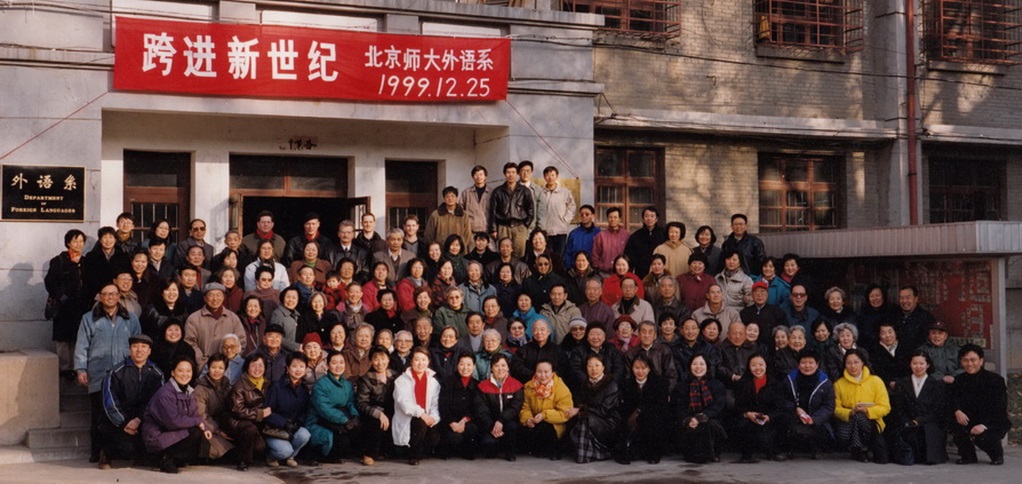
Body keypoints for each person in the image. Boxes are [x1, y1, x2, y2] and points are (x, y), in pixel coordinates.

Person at [74, 283, 142, 463]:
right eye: (106, 294)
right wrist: (81, 369)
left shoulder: (131, 318)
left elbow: (138, 345)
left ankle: (117, 451)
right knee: (98, 414)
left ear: (119, 296)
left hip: (123, 373)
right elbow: (82, 345)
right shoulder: (89, 318)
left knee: (120, 411)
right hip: (99, 372)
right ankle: (97, 451)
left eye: (113, 294)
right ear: (100, 296)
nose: (110, 297)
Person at [96, 333, 163, 469]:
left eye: (143, 347)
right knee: (119, 441)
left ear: (149, 351)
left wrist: (139, 419)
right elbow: (110, 403)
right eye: (135, 346)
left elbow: (157, 401)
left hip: (143, 420)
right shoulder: (115, 372)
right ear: (129, 349)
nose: (139, 350)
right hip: (121, 421)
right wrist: (124, 422)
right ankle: (106, 453)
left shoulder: (157, 373)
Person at [141, 356, 210, 474]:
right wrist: (198, 422)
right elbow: (172, 422)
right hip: (156, 437)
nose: (185, 374)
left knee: (200, 433)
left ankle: (174, 458)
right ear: (173, 373)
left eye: (188, 371)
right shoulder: (165, 393)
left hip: (171, 433)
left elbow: (195, 415)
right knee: (194, 431)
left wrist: (205, 427)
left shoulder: (189, 391)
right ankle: (163, 458)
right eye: (180, 371)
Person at [949, 344, 1010, 465]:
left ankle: (997, 454)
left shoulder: (995, 380)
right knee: (955, 425)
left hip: (991, 421)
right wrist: (957, 411)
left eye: (973, 360)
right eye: (965, 360)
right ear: (961, 362)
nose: (969, 364)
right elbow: (953, 399)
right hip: (968, 419)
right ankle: (968, 456)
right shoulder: (959, 380)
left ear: (981, 361)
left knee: (983, 437)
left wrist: (983, 425)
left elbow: (999, 407)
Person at [888, 350, 948, 465]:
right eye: (915, 363)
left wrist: (919, 421)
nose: (918, 367)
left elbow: (937, 410)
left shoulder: (937, 384)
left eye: (921, 363)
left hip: (928, 423)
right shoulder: (901, 384)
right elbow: (899, 408)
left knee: (928, 431)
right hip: (907, 422)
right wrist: (908, 421)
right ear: (910, 364)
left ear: (928, 365)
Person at [833, 349, 890, 462]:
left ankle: (858, 449)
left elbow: (885, 407)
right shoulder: (839, 384)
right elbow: (835, 408)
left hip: (871, 422)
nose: (853, 366)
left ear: (863, 362)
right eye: (849, 363)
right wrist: (850, 412)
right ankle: (859, 448)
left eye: (856, 362)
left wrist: (867, 411)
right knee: (855, 418)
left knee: (860, 417)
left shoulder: (876, 381)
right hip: (848, 421)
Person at [46, 229, 88, 378]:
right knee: (63, 338)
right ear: (68, 242)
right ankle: (65, 368)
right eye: (75, 241)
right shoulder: (59, 260)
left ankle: (77, 366)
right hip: (63, 306)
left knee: (78, 336)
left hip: (81, 306)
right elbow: (50, 282)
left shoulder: (85, 262)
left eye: (81, 241)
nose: (78, 244)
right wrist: (61, 296)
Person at [779, 349, 834, 461]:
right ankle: (788, 451)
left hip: (816, 420)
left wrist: (814, 419)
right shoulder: (789, 380)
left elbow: (828, 406)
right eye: (803, 363)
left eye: (811, 362)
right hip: (795, 417)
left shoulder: (826, 383)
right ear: (798, 364)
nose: (807, 366)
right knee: (785, 422)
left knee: (820, 430)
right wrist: (796, 409)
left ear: (817, 364)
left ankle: (816, 450)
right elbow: (783, 400)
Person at [306, 349, 359, 464]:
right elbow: (324, 409)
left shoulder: (347, 384)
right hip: (320, 420)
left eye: (341, 362)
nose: (338, 366)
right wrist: (344, 420)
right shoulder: (321, 384)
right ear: (327, 365)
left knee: (352, 435)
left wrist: (354, 416)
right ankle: (316, 455)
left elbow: (350, 402)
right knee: (338, 441)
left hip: (338, 420)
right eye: (334, 363)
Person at [673, 354, 727, 463]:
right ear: (690, 367)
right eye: (695, 364)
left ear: (707, 366)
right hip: (689, 420)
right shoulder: (681, 386)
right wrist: (689, 420)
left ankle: (711, 454)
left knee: (707, 426)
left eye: (702, 364)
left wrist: (700, 418)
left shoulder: (717, 385)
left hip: (710, 419)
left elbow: (717, 406)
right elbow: (679, 407)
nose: (698, 367)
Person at [617, 354, 670, 465]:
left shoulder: (660, 383)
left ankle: (654, 454)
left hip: (652, 418)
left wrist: (640, 411)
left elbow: (661, 406)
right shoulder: (627, 384)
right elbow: (625, 406)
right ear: (632, 369)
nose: (640, 371)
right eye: (637, 368)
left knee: (652, 421)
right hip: (632, 419)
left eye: (643, 368)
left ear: (649, 369)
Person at [392, 347, 441, 465]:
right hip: (411, 418)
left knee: (435, 437)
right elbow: (404, 403)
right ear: (411, 361)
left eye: (424, 360)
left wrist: (433, 418)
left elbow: (435, 404)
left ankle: (421, 450)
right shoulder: (401, 380)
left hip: (427, 419)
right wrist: (422, 414)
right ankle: (414, 456)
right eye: (417, 359)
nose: (420, 363)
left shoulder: (433, 382)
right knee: (419, 423)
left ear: (428, 361)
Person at [733, 353, 785, 463]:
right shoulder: (742, 383)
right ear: (748, 367)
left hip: (768, 419)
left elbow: (780, 407)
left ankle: (775, 451)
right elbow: (738, 406)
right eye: (753, 365)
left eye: (761, 364)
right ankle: (747, 455)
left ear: (766, 365)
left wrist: (769, 417)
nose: (758, 368)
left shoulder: (775, 384)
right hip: (749, 419)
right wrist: (748, 414)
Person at [262, 353, 312, 468]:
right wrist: (284, 423)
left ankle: (290, 457)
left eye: (301, 366)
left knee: (305, 434)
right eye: (294, 366)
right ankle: (271, 456)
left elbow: (305, 411)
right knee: (284, 451)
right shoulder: (276, 387)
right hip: (275, 430)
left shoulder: (304, 390)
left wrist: (298, 423)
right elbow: (267, 412)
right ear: (287, 368)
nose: (298, 370)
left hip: (292, 430)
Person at [519, 360, 574, 460]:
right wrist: (527, 419)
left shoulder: (560, 388)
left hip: (554, 424)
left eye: (546, 372)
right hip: (535, 422)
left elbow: (565, 413)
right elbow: (525, 407)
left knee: (546, 428)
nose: (543, 375)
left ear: (552, 373)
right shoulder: (529, 387)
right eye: (539, 372)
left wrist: (544, 415)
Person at [184, 282, 247, 368]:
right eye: (211, 295)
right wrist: (203, 362)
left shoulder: (233, 318)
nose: (215, 298)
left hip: (229, 367)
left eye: (218, 295)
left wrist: (229, 361)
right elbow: (189, 342)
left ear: (223, 297)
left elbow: (241, 342)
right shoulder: (194, 319)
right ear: (205, 298)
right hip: (203, 367)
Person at [475, 353, 524, 461]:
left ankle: (509, 452)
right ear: (491, 368)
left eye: (503, 365)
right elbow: (481, 409)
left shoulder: (516, 385)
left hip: (508, 421)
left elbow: (515, 407)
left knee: (512, 428)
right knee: (489, 445)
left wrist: (501, 420)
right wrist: (492, 426)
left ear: (508, 367)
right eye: (496, 366)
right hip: (490, 424)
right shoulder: (482, 386)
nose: (500, 369)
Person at [225, 353, 268, 471]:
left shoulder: (265, 383)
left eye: (261, 365)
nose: (257, 369)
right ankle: (243, 461)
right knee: (250, 429)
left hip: (254, 421)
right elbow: (237, 410)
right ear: (247, 367)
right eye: (254, 365)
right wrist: (259, 414)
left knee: (260, 447)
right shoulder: (239, 385)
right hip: (236, 421)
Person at [193, 353, 235, 462]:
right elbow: (201, 415)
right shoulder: (200, 388)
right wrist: (218, 431)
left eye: (220, 368)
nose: (217, 371)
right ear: (208, 367)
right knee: (222, 451)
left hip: (223, 425)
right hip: (208, 427)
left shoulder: (227, 386)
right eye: (213, 367)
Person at [437, 353, 480, 460]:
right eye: (462, 364)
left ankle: (466, 452)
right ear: (457, 365)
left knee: (472, 429)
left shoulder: (477, 384)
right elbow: (443, 405)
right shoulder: (448, 382)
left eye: (469, 365)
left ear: (474, 366)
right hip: (449, 421)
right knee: (454, 438)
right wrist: (452, 422)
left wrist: (465, 419)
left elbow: (476, 407)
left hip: (466, 420)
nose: (465, 368)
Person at [488, 162, 534, 257]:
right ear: (505, 174)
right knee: (504, 253)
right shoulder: (498, 191)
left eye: (513, 172)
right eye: (508, 172)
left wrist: (525, 225)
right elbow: (492, 212)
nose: (511, 175)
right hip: (503, 226)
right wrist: (493, 229)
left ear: (517, 174)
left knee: (519, 254)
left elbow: (531, 209)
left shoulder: (524, 191)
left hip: (519, 226)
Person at [625, 320, 679, 393]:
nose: (647, 335)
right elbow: (628, 377)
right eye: (644, 332)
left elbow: (671, 375)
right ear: (639, 334)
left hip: (661, 391)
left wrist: (666, 392)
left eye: (650, 332)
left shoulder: (664, 351)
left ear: (655, 335)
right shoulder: (631, 354)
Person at [568, 323, 626, 391]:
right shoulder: (578, 351)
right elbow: (575, 369)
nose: (595, 337)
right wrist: (590, 384)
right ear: (587, 337)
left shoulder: (611, 349)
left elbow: (619, 368)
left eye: (598, 334)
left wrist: (609, 384)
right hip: (586, 388)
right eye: (592, 334)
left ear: (604, 337)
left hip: (609, 388)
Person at [511, 319, 568, 384]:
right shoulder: (524, 349)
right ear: (532, 332)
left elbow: (564, 370)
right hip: (529, 385)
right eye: (536, 330)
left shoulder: (558, 350)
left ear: (548, 332)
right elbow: (516, 367)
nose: (539, 332)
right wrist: (534, 375)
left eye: (542, 329)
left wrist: (548, 377)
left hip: (552, 385)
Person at [82, 226, 129, 301]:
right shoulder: (91, 256)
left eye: (111, 237)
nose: (108, 240)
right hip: (98, 295)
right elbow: (88, 279)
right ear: (100, 240)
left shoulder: (123, 256)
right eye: (105, 237)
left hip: (118, 294)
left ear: (115, 239)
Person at [425, 186, 473, 252]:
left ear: (456, 198)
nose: (450, 198)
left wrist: (460, 247)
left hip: (459, 252)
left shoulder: (463, 215)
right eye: (447, 196)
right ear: (444, 198)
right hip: (441, 251)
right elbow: (429, 235)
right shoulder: (436, 215)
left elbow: (468, 235)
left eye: (452, 196)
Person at [624, 206, 667, 278]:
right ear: (643, 218)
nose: (649, 218)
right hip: (642, 272)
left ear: (656, 219)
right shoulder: (636, 236)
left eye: (652, 216)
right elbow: (629, 254)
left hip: (660, 270)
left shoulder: (664, 234)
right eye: (646, 216)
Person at [871, 322, 910, 387]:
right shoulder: (874, 351)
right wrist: (888, 382)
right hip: (883, 386)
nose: (887, 336)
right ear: (879, 335)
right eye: (883, 333)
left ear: (895, 333)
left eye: (890, 332)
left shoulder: (906, 347)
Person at [591, 207, 629, 275]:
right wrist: (596, 268)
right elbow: (595, 254)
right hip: (603, 273)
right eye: (610, 217)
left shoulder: (626, 235)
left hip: (622, 272)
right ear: (607, 219)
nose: (612, 219)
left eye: (615, 217)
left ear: (620, 219)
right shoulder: (601, 236)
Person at [896, 286, 935, 353]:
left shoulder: (926, 318)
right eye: (901, 298)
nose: (904, 301)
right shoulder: (894, 315)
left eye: (908, 298)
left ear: (916, 299)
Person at [562, 205, 600, 270]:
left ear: (593, 216)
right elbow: (568, 252)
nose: (584, 216)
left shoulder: (598, 233)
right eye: (582, 214)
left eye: (587, 214)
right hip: (575, 269)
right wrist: (569, 268)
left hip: (593, 269)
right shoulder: (573, 234)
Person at [270, 287, 302, 353]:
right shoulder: (278, 314)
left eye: (294, 298)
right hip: (284, 353)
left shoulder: (298, 315)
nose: (290, 300)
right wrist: (296, 347)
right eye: (288, 297)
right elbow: (275, 336)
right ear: (283, 298)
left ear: (297, 300)